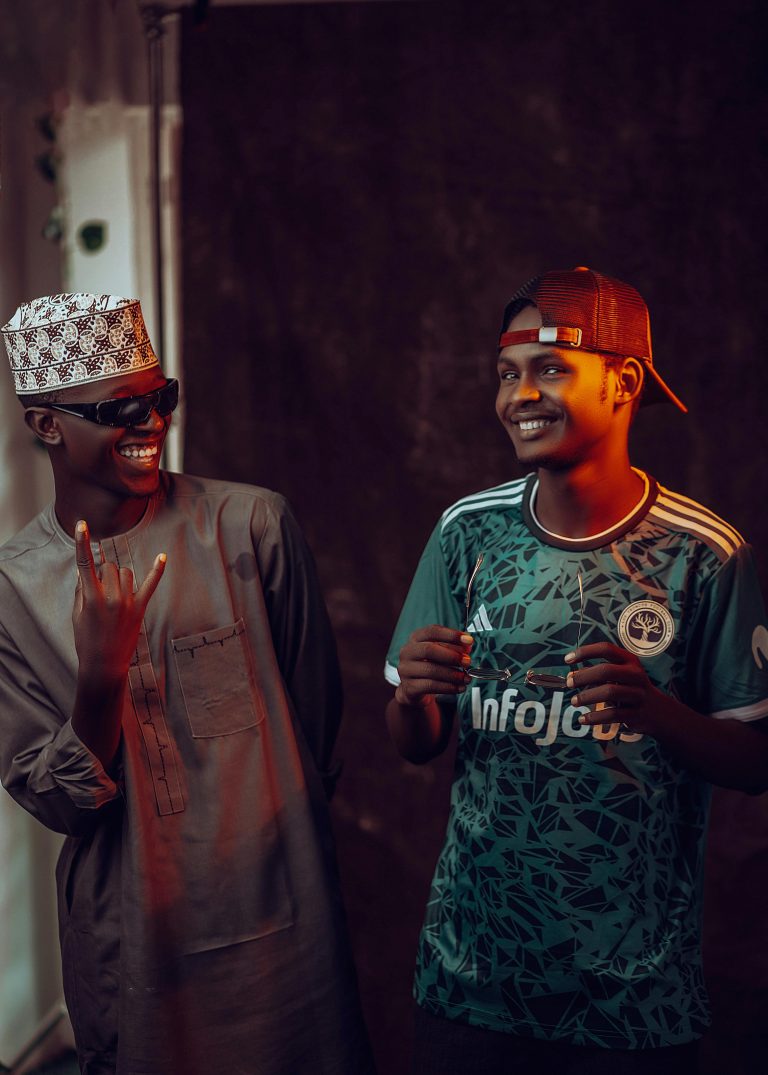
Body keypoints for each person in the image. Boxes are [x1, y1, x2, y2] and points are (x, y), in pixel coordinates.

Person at [384, 267, 768, 1075]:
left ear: (623, 380)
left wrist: (658, 711)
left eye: (550, 367)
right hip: (471, 976)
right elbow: (415, 741)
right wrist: (414, 694)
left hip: (631, 996)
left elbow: (756, 759)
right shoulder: (467, 532)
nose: (520, 394)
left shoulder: (704, 554)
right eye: (506, 373)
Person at [0, 293, 374, 1075]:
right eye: (117, 408)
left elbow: (313, 731)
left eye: (159, 398)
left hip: (283, 922)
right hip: (132, 941)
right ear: (45, 424)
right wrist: (101, 679)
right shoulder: (12, 592)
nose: (149, 424)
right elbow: (57, 801)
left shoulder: (250, 526)